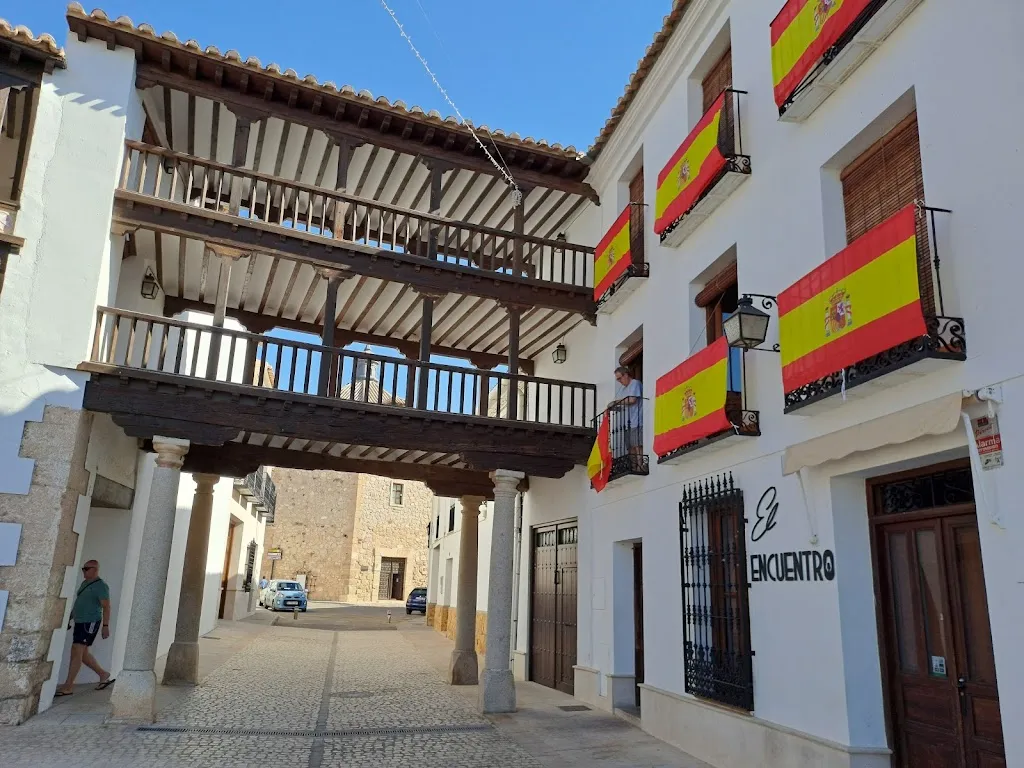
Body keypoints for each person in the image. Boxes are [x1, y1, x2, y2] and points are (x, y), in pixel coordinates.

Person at [56, 560, 113, 696]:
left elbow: (106, 606)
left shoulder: (101, 586)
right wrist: (70, 617)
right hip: (80, 621)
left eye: (86, 569)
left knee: (77, 650)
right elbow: (80, 602)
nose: (84, 571)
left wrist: (105, 626)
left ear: (95, 569)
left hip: (89, 622)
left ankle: (68, 686)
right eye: (83, 569)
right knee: (82, 653)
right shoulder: (85, 583)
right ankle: (103, 674)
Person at [611, 366, 643, 464]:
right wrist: (613, 406)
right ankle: (633, 466)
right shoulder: (624, 390)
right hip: (628, 423)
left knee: (637, 445)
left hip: (637, 420)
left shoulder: (635, 383)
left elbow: (632, 400)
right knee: (630, 447)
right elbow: (623, 404)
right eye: (617, 379)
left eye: (620, 378)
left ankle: (640, 466)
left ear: (626, 374)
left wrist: (616, 402)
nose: (619, 381)